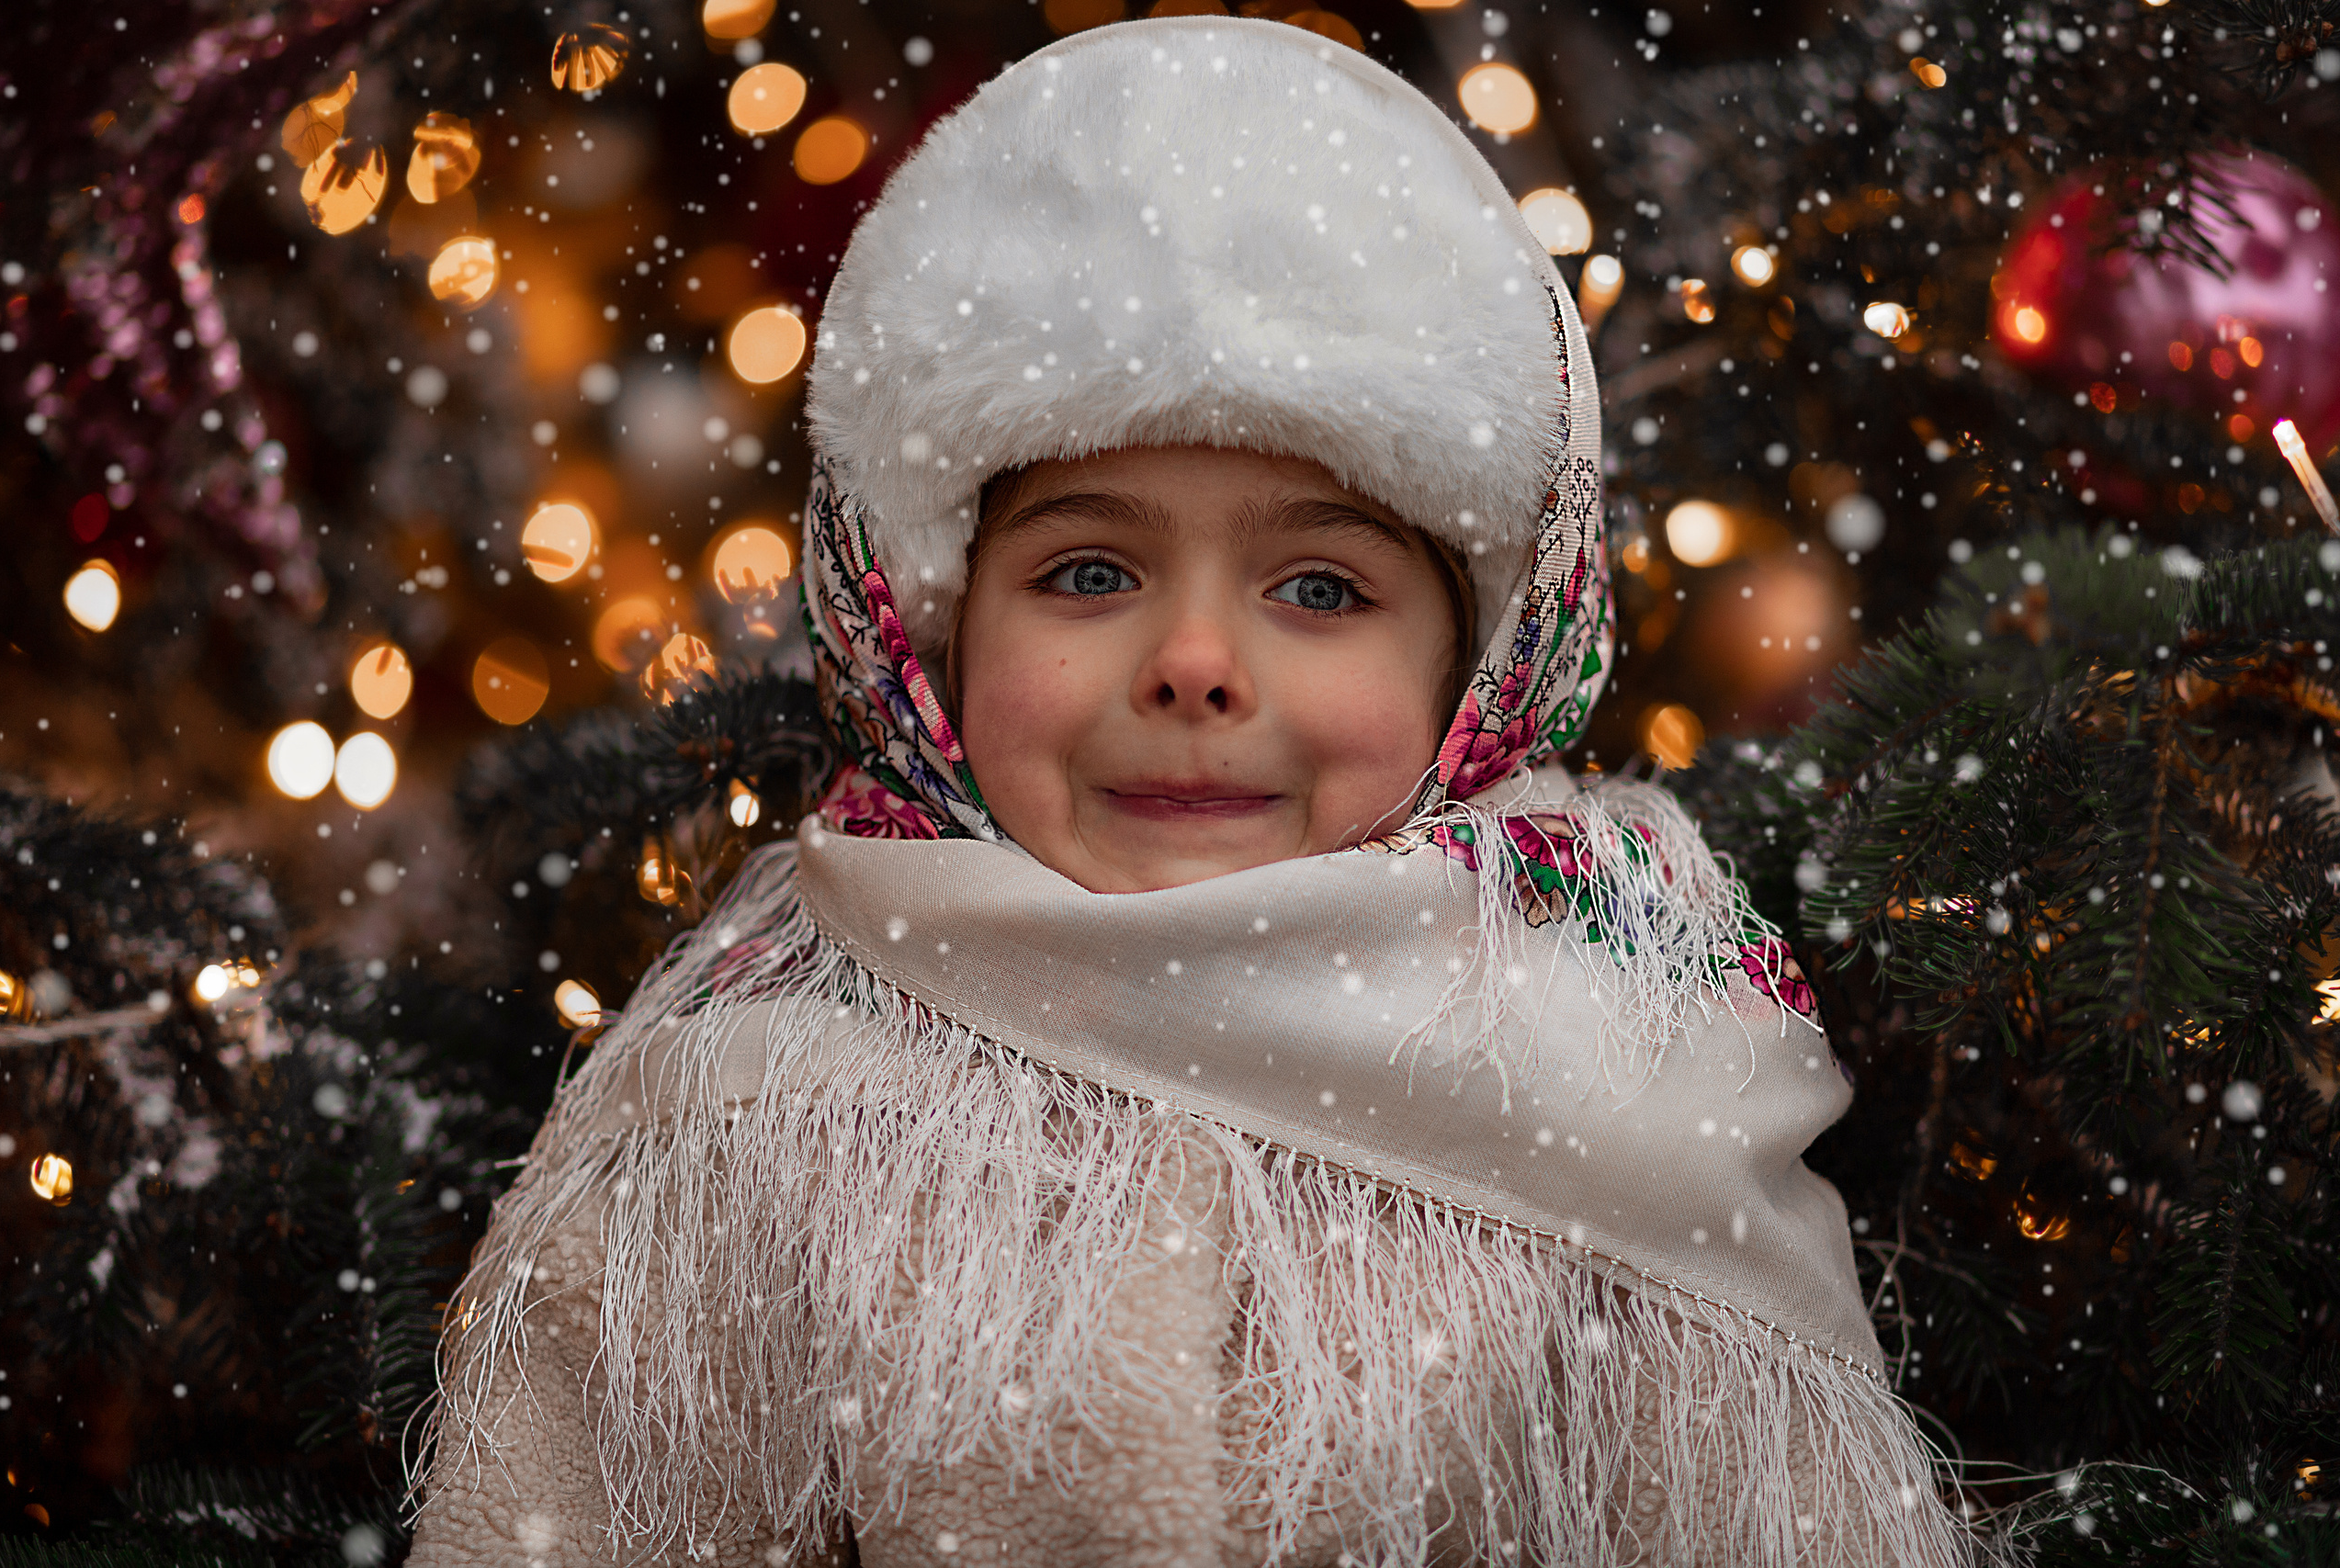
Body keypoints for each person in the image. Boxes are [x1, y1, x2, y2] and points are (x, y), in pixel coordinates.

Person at [409, 17, 1975, 1566]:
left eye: (1320, 589)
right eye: (1090, 572)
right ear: (932, 647)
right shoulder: (759, 1115)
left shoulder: (1622, 1082)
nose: (1198, 665)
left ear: (1480, 676)